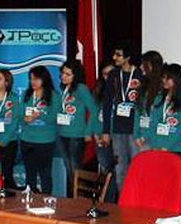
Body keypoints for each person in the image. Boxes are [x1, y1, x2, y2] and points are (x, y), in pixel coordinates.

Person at [99, 42, 142, 195]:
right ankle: (123, 199)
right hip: (117, 129)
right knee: (120, 168)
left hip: (135, 130)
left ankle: (137, 199)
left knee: (136, 167)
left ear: (128, 57)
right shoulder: (113, 75)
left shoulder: (140, 74)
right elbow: (106, 103)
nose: (114, 57)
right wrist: (106, 131)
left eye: (118, 55)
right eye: (114, 54)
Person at [56, 60, 97, 196]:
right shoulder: (64, 89)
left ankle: (77, 200)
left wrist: (88, 132)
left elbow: (94, 110)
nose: (63, 76)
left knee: (75, 170)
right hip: (62, 134)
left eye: (68, 74)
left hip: (76, 135)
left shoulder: (81, 88)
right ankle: (71, 199)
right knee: (69, 170)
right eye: (63, 73)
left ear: (76, 76)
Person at [136, 63, 181, 154]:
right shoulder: (159, 98)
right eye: (163, 77)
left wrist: (167, 147)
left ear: (177, 79)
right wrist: (147, 140)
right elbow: (153, 123)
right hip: (156, 147)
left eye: (168, 78)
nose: (164, 80)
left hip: (175, 149)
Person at [20, 66, 59, 193]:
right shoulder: (27, 94)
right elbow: (19, 116)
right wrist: (26, 119)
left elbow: (54, 118)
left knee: (45, 173)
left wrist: (39, 115)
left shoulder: (53, 95)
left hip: (45, 140)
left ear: (44, 79)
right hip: (27, 139)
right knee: (30, 172)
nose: (33, 82)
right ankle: (30, 198)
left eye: (36, 79)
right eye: (31, 79)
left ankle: (46, 199)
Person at [91, 61, 117, 201]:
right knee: (107, 170)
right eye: (106, 74)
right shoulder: (99, 93)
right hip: (101, 138)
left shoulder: (125, 93)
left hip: (119, 139)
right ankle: (106, 199)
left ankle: (107, 200)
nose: (109, 77)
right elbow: (94, 116)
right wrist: (96, 134)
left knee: (116, 172)